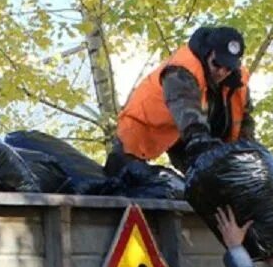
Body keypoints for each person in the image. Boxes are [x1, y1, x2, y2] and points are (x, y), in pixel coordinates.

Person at [108, 26, 255, 175]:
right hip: (140, 127)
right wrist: (204, 146)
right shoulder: (181, 72)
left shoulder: (238, 83)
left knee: (209, 179)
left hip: (178, 134)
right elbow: (189, 115)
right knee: (123, 176)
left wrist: (247, 156)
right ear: (206, 53)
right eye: (217, 64)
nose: (222, 72)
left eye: (228, 68)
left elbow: (244, 121)